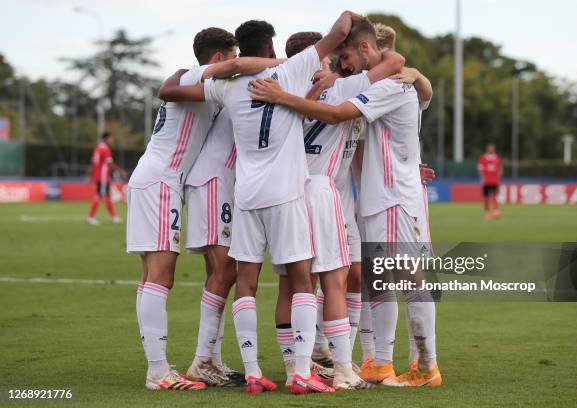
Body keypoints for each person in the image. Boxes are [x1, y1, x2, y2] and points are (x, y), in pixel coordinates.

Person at [159, 11, 362, 395]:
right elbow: (340, 29)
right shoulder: (292, 72)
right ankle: (301, 370)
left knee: (246, 284)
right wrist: (354, 18)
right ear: (270, 47)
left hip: (247, 197)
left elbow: (174, 90)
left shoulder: (228, 87)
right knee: (302, 281)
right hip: (286, 194)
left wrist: (233, 66)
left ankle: (253, 371)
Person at [247, 17, 442, 388]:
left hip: (395, 196)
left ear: (366, 49)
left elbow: (344, 111)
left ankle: (425, 363)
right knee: (377, 281)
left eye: (346, 57)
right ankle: (380, 364)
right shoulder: (370, 86)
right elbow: (363, 135)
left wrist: (282, 96)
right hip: (376, 196)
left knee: (410, 277)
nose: (342, 65)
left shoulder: (390, 86)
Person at [127, 26, 281, 391]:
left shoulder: (206, 86)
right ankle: (160, 371)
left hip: (164, 180)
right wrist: (288, 61)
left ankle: (187, 362)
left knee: (159, 274)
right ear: (217, 59)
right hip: (163, 181)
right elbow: (172, 86)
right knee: (161, 275)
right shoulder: (195, 76)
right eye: (232, 56)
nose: (237, 63)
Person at [87, 131, 127, 225]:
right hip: (103, 177)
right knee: (99, 195)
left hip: (99, 176)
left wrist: (91, 175)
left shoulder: (97, 148)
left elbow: (94, 163)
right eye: (110, 138)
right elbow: (109, 163)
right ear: (105, 139)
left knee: (107, 196)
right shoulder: (105, 149)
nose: (112, 140)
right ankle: (91, 218)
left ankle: (114, 217)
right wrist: (121, 171)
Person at [478, 143, 503, 220]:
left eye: (492, 148)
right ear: (487, 149)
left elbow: (500, 169)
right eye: (489, 148)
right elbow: (480, 169)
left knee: (495, 196)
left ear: (494, 149)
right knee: (486, 198)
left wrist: (499, 177)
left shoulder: (497, 158)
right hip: (486, 181)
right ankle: (487, 213)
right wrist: (482, 177)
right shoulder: (483, 158)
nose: (491, 149)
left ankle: (496, 211)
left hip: (494, 181)